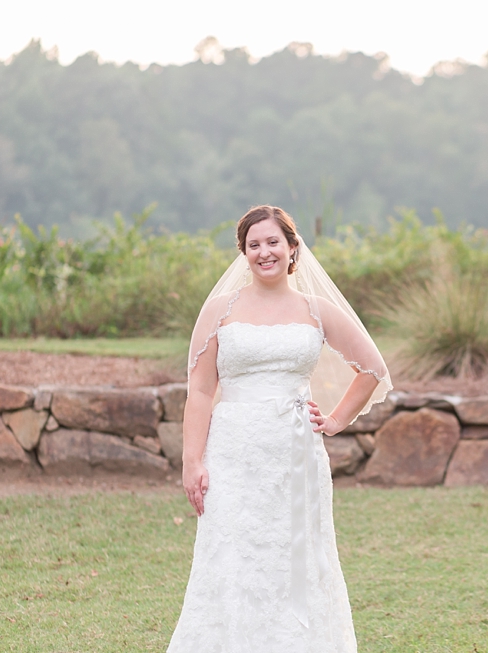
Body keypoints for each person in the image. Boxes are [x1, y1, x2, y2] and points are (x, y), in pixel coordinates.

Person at [167, 205, 392, 653]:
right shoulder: (219, 310)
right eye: (254, 245)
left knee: (297, 558)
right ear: (243, 253)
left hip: (295, 457)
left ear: (293, 249)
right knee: (232, 555)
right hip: (232, 452)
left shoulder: (316, 309)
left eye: (273, 242)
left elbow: (372, 368)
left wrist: (334, 420)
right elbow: (200, 391)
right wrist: (193, 462)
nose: (264, 252)